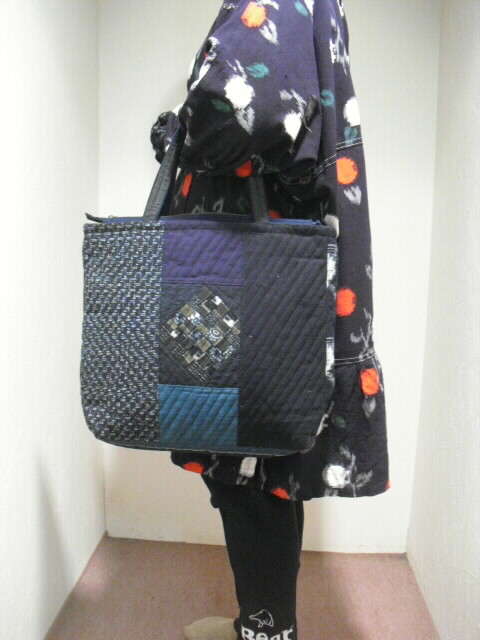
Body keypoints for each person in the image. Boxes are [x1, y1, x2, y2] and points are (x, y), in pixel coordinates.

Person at [150, 1, 390, 638]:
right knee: (266, 467)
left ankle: (265, 629)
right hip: (269, 279)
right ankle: (266, 624)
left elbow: (236, 112)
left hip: (246, 281)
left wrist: (175, 133)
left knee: (249, 468)